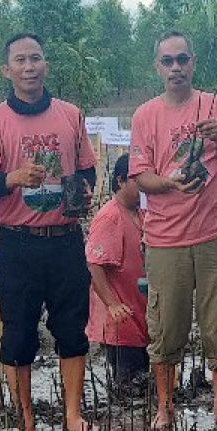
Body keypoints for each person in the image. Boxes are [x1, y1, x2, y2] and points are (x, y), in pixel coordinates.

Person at [0, 33, 98, 431]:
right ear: (6, 70)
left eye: (36, 59)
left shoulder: (71, 116)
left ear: (46, 65)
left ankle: (73, 414)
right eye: (20, 60)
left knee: (72, 330)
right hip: (18, 242)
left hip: (65, 239)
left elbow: (86, 170)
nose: (29, 67)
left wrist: (84, 192)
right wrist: (14, 178)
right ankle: (24, 421)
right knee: (19, 334)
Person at [129, 31, 217, 431]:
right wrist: (170, 183)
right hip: (165, 238)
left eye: (182, 59)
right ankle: (165, 407)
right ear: (157, 67)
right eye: (167, 61)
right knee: (165, 325)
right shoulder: (145, 116)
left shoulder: (216, 106)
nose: (176, 67)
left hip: (215, 233)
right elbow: (140, 176)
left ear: (193, 62)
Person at [86, 154, 149, 389]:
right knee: (129, 388)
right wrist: (112, 304)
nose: (144, 186)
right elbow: (94, 264)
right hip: (121, 322)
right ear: (121, 181)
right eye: (137, 181)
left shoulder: (141, 211)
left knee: (143, 383)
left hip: (140, 315)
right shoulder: (110, 216)